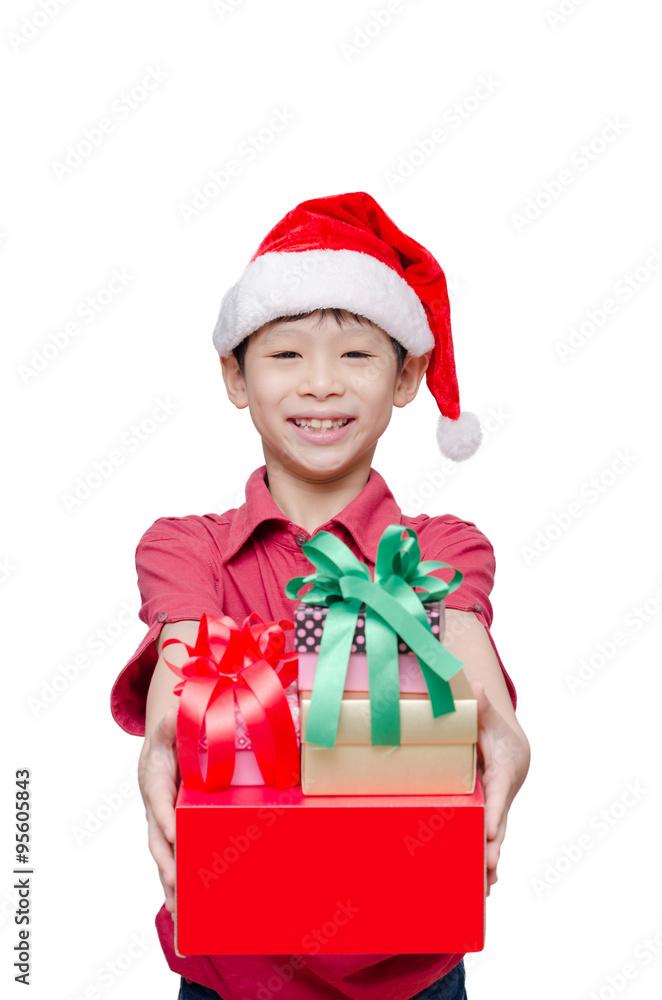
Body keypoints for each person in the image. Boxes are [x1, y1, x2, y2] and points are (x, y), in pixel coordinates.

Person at [110, 191, 531, 1000]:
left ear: (408, 376)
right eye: (287, 355)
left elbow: (467, 651)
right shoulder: (187, 548)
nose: (322, 387)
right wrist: (167, 736)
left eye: (357, 356)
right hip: (232, 974)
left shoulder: (439, 547)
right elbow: (183, 670)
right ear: (235, 376)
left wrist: (502, 733)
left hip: (414, 975)